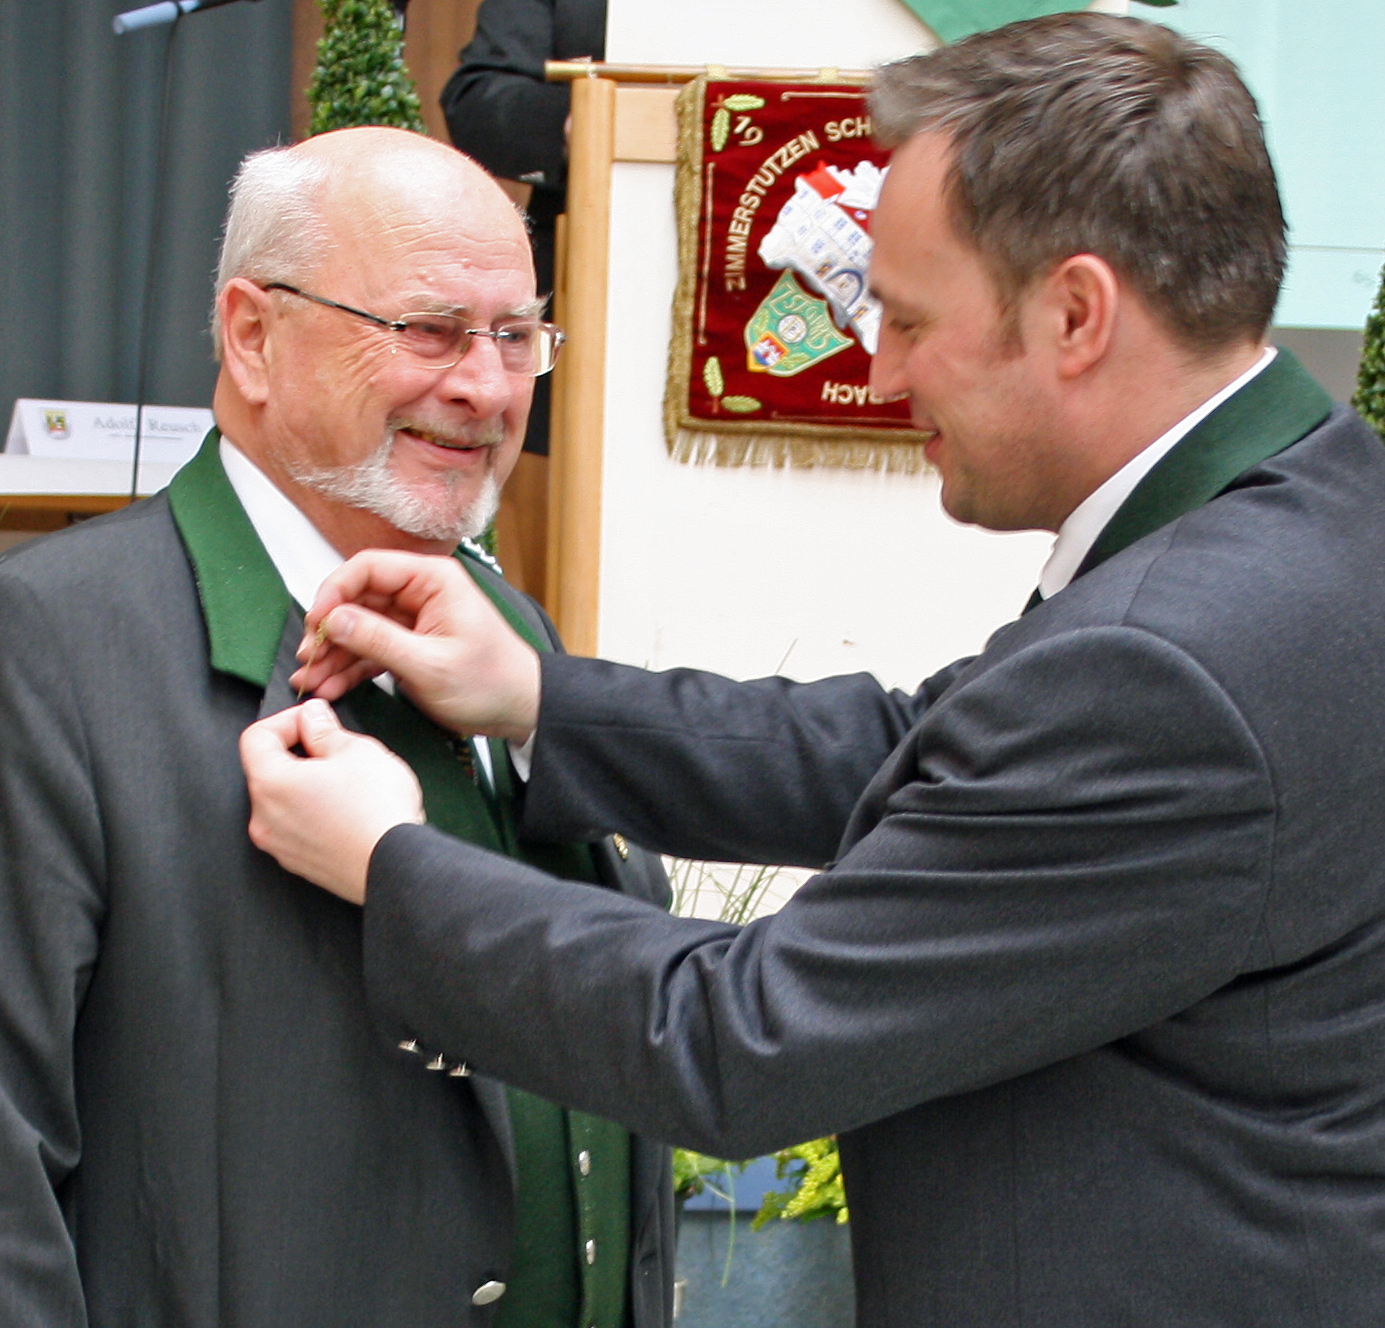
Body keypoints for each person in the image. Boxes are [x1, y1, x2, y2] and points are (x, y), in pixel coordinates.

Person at [241, 16, 1385, 1328]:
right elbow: (922, 752)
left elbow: (745, 1039)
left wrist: (392, 863)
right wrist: (541, 699)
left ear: (1075, 313)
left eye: (903, 318)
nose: (879, 369)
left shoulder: (1168, 665)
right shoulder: (1317, 512)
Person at [0, 126, 672, 1327]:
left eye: (517, 336)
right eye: (428, 329)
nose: (485, 386)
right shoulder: (50, 646)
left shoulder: (512, 635)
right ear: (253, 334)